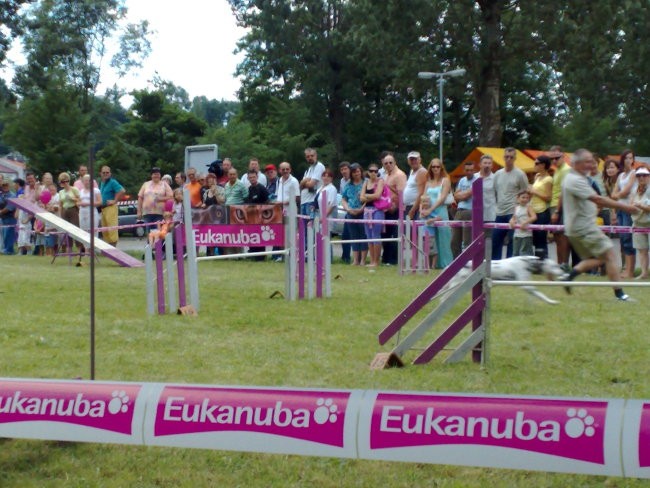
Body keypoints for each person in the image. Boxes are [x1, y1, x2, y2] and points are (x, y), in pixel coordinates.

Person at [561, 149, 639, 301]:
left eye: (592, 161)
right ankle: (620, 295)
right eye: (588, 161)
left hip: (578, 227)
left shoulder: (578, 177)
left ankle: (569, 276)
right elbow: (599, 199)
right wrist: (626, 207)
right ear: (576, 163)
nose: (592, 164)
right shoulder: (574, 180)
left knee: (600, 258)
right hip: (584, 227)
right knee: (610, 256)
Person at [491, 147, 529, 260]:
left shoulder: (520, 174)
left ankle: (509, 267)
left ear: (515, 158)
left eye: (511, 157)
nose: (508, 159)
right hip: (499, 212)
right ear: (503, 157)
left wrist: (520, 211)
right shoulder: (497, 174)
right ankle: (495, 266)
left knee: (512, 242)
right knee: (495, 241)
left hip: (513, 213)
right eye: (506, 157)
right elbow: (495, 191)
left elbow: (525, 193)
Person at [420, 158, 453, 268]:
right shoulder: (428, 182)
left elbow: (442, 198)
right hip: (428, 212)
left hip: (440, 211)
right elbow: (423, 197)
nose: (435, 168)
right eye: (433, 166)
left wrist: (431, 209)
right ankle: (432, 264)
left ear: (441, 168)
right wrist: (422, 209)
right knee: (430, 239)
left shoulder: (446, 180)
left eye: (437, 166)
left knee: (444, 239)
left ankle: (446, 264)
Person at [612, 150, 638, 278]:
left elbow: (625, 192)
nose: (628, 160)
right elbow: (613, 193)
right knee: (623, 239)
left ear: (633, 160)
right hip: (620, 208)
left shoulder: (634, 173)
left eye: (630, 158)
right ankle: (626, 269)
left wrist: (618, 195)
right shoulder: (621, 175)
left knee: (628, 239)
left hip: (628, 207)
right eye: (626, 158)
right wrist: (617, 195)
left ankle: (630, 271)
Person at [380, 152, 407, 265]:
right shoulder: (386, 175)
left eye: (390, 162)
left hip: (397, 210)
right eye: (386, 163)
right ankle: (386, 258)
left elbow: (402, 194)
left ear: (395, 162)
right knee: (385, 235)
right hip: (386, 210)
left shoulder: (400, 175)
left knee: (395, 236)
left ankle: (393, 260)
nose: (388, 164)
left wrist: (395, 207)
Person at [548, 146, 571, 270]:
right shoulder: (557, 170)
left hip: (561, 206)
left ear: (563, 156)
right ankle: (560, 264)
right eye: (552, 159)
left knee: (562, 237)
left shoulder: (566, 170)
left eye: (557, 158)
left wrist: (557, 211)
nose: (554, 161)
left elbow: (563, 192)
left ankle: (564, 265)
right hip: (555, 204)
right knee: (557, 237)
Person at [341, 163, 367, 265]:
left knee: (364, 235)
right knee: (354, 236)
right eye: (354, 172)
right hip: (351, 212)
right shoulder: (348, 185)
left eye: (358, 171)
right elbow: (344, 199)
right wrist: (348, 209)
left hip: (363, 212)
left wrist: (361, 209)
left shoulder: (366, 183)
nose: (356, 174)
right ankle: (356, 260)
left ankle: (363, 260)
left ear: (361, 171)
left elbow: (368, 199)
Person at [360, 163, 385, 267]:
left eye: (376, 171)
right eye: (371, 171)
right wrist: (369, 196)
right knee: (369, 236)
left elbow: (378, 195)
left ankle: (376, 261)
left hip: (377, 210)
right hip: (367, 210)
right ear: (368, 172)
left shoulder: (380, 181)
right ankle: (371, 261)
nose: (373, 173)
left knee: (376, 235)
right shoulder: (366, 182)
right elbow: (361, 198)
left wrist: (366, 196)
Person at [528, 155, 553, 258]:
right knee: (535, 239)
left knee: (541, 239)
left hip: (542, 211)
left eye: (537, 163)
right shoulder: (537, 176)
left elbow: (548, 197)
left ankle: (543, 261)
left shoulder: (548, 179)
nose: (535, 165)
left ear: (543, 165)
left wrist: (535, 191)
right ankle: (537, 261)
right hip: (533, 210)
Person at [451, 161, 476, 257]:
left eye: (471, 170)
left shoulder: (476, 181)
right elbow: (456, 196)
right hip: (459, 211)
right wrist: (461, 195)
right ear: (464, 170)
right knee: (454, 241)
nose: (469, 172)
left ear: (474, 170)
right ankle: (456, 261)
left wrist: (461, 195)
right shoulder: (462, 180)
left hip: (469, 212)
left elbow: (465, 195)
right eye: (467, 170)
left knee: (467, 241)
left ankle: (467, 262)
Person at [137, 167, 174, 234]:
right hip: (147, 213)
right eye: (154, 174)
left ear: (160, 175)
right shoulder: (146, 184)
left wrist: (161, 199)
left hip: (160, 213)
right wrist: (139, 211)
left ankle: (157, 244)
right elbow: (140, 197)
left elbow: (171, 197)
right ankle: (149, 244)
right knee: (149, 232)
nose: (156, 176)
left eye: (158, 174)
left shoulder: (164, 184)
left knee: (157, 232)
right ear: (151, 175)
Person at [631, 167, 650, 279]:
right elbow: (630, 204)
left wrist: (639, 205)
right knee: (642, 250)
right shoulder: (635, 189)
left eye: (644, 175)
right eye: (639, 175)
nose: (641, 177)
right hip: (638, 223)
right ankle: (644, 273)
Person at [99, 165, 125, 247]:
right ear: (100, 173)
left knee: (112, 229)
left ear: (110, 174)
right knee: (105, 229)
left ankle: (113, 249)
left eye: (107, 172)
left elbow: (122, 190)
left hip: (110, 208)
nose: (105, 174)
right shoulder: (102, 183)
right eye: (104, 172)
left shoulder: (112, 182)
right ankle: (108, 249)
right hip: (103, 209)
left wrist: (115, 201)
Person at [58, 172, 81, 254]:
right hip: (65, 210)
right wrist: (60, 215)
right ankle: (69, 250)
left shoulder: (74, 189)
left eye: (66, 181)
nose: (64, 183)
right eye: (62, 182)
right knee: (67, 231)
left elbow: (79, 200)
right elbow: (60, 205)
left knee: (76, 229)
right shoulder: (61, 192)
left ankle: (79, 249)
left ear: (69, 181)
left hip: (73, 210)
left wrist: (72, 198)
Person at [299, 148, 325, 218]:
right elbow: (300, 186)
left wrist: (304, 182)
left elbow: (311, 184)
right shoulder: (308, 170)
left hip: (312, 201)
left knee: (311, 227)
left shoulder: (319, 166)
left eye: (312, 155)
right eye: (308, 156)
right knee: (304, 227)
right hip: (304, 201)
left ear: (316, 156)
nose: (310, 158)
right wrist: (305, 181)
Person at [509, 190, 536, 256]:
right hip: (517, 234)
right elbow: (514, 217)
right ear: (518, 198)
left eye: (527, 198)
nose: (525, 199)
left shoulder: (528, 207)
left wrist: (526, 222)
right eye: (523, 197)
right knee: (516, 253)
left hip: (526, 234)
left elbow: (534, 217)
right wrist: (511, 221)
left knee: (525, 253)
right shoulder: (516, 208)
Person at [477, 154, 497, 237]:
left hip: (491, 215)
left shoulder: (495, 178)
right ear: (480, 164)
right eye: (485, 163)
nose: (487, 165)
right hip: (476, 215)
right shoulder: (474, 177)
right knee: (476, 240)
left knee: (489, 241)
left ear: (492, 165)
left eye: (489, 163)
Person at [404, 151, 427, 220]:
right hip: (410, 206)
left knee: (416, 230)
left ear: (420, 160)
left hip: (417, 208)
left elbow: (421, 193)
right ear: (408, 161)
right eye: (411, 159)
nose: (413, 161)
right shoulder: (412, 171)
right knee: (408, 229)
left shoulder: (421, 172)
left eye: (415, 159)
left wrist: (412, 210)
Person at [419, 194, 439, 267]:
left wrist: (432, 219)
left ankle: (433, 265)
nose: (425, 203)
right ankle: (427, 265)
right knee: (425, 251)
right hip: (423, 235)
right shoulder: (422, 212)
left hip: (430, 235)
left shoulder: (431, 211)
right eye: (423, 201)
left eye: (427, 201)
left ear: (430, 203)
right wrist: (421, 207)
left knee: (433, 251)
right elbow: (421, 215)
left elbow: (439, 218)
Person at [338, 161, 352, 263]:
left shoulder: (354, 179)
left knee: (356, 235)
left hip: (356, 209)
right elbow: (343, 196)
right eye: (342, 169)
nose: (344, 171)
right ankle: (345, 256)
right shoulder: (342, 181)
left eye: (345, 169)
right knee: (345, 235)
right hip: (347, 210)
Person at [602, 158, 621, 229]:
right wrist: (613, 213)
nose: (609, 170)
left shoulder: (622, 180)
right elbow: (611, 199)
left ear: (618, 169)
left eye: (612, 167)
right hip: (614, 207)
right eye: (607, 168)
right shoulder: (607, 182)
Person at [0, 180, 17, 254]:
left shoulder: (12, 195)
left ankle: (9, 250)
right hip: (3, 218)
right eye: (3, 185)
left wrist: (0, 212)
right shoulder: (1, 195)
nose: (5, 187)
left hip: (10, 218)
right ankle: (5, 249)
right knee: (4, 235)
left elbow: (10, 207)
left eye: (6, 185)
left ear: (9, 186)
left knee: (9, 235)